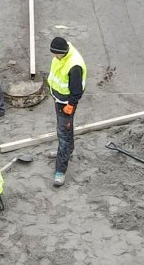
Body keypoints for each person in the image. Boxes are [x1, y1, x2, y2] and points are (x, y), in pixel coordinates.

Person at [47, 36, 87, 187]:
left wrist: (70, 105)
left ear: (62, 52)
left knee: (63, 134)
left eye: (56, 54)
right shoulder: (61, 55)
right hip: (59, 100)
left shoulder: (74, 65)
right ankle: (69, 150)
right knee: (64, 128)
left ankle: (60, 171)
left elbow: (77, 90)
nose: (54, 57)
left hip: (66, 104)